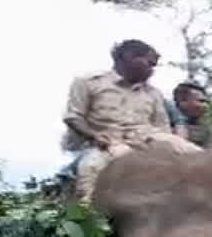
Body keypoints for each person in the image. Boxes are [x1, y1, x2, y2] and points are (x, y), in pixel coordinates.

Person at [62, 39, 200, 200]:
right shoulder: (89, 82)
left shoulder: (153, 93)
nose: (152, 70)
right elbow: (73, 117)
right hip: (107, 143)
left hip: (147, 139)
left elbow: (162, 127)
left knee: (198, 157)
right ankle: (89, 215)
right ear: (128, 57)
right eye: (149, 63)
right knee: (91, 168)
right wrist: (94, 136)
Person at [171, 82, 212, 148]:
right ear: (183, 102)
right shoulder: (165, 123)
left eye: (206, 102)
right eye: (201, 101)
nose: (205, 105)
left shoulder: (205, 129)